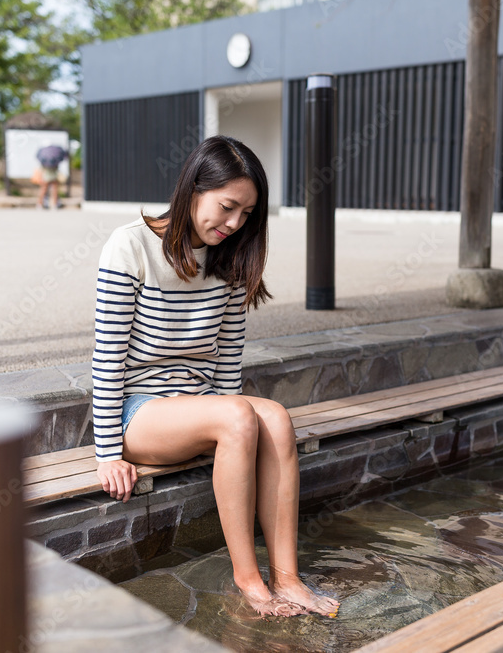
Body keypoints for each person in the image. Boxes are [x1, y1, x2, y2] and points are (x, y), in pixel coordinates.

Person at [92, 135, 340, 618]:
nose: (234, 224)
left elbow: (228, 359)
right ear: (193, 188)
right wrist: (107, 454)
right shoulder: (131, 246)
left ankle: (287, 578)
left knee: (275, 418)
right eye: (228, 207)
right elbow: (107, 359)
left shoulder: (230, 258)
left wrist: (238, 429)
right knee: (237, 416)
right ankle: (250, 582)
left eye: (246, 214)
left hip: (202, 407)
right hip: (139, 412)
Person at [35, 144, 68, 209]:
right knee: (55, 190)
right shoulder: (55, 157)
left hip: (46, 175)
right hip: (54, 175)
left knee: (43, 190)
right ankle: (55, 204)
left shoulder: (44, 157)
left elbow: (42, 167)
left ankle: (40, 204)